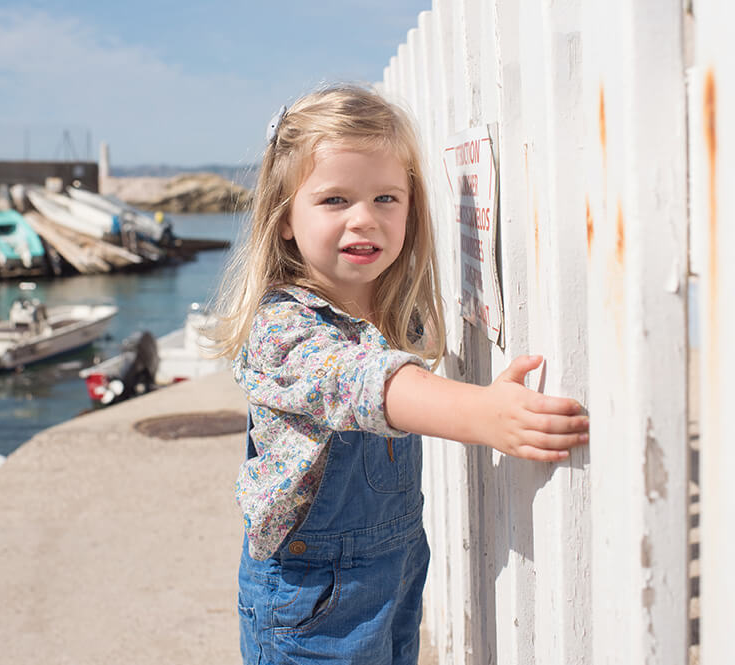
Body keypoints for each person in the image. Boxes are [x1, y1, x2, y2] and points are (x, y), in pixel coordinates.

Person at [208, 84, 589, 665]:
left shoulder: (386, 310)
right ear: (285, 220)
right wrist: (480, 414)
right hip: (312, 596)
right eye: (335, 200)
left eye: (386, 198)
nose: (364, 219)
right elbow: (362, 381)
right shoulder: (280, 329)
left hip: (398, 562)